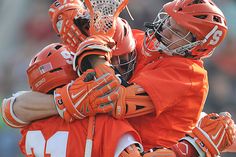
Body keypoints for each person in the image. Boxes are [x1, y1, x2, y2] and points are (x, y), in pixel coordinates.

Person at [1, 0, 235, 156]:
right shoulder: (108, 126)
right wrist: (193, 148)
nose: (164, 29)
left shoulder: (187, 72)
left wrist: (79, 23)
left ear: (197, 45)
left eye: (177, 31)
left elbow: (12, 109)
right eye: (168, 21)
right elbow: (107, 90)